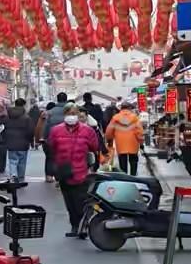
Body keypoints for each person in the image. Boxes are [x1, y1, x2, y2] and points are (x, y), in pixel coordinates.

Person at [47, 103, 101, 237]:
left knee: (81, 201)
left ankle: (83, 225)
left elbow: (95, 147)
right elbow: (51, 148)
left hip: (81, 172)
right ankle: (75, 225)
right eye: (68, 114)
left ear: (78, 115)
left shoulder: (88, 131)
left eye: (74, 114)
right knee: (69, 201)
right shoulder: (56, 130)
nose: (71, 116)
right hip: (64, 172)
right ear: (64, 115)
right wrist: (56, 165)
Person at [35, 92, 69, 183]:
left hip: (51, 139)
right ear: (66, 99)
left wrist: (43, 137)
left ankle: (49, 176)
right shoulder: (71, 111)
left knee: (50, 157)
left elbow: (46, 126)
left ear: (57, 100)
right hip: (68, 139)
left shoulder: (49, 112)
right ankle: (61, 177)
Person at [3, 97, 36, 181]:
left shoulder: (8, 116)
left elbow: (3, 128)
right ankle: (21, 178)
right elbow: (30, 131)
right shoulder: (27, 118)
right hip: (23, 143)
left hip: (11, 142)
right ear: (24, 105)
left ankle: (13, 175)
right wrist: (31, 141)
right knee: (22, 162)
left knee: (12, 161)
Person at [107, 101, 144, 175]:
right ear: (130, 108)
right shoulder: (134, 118)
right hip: (133, 144)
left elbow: (109, 131)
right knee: (133, 161)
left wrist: (109, 140)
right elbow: (139, 131)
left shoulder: (115, 118)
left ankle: (125, 178)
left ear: (121, 108)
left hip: (121, 145)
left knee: (122, 164)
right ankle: (133, 177)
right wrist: (141, 142)